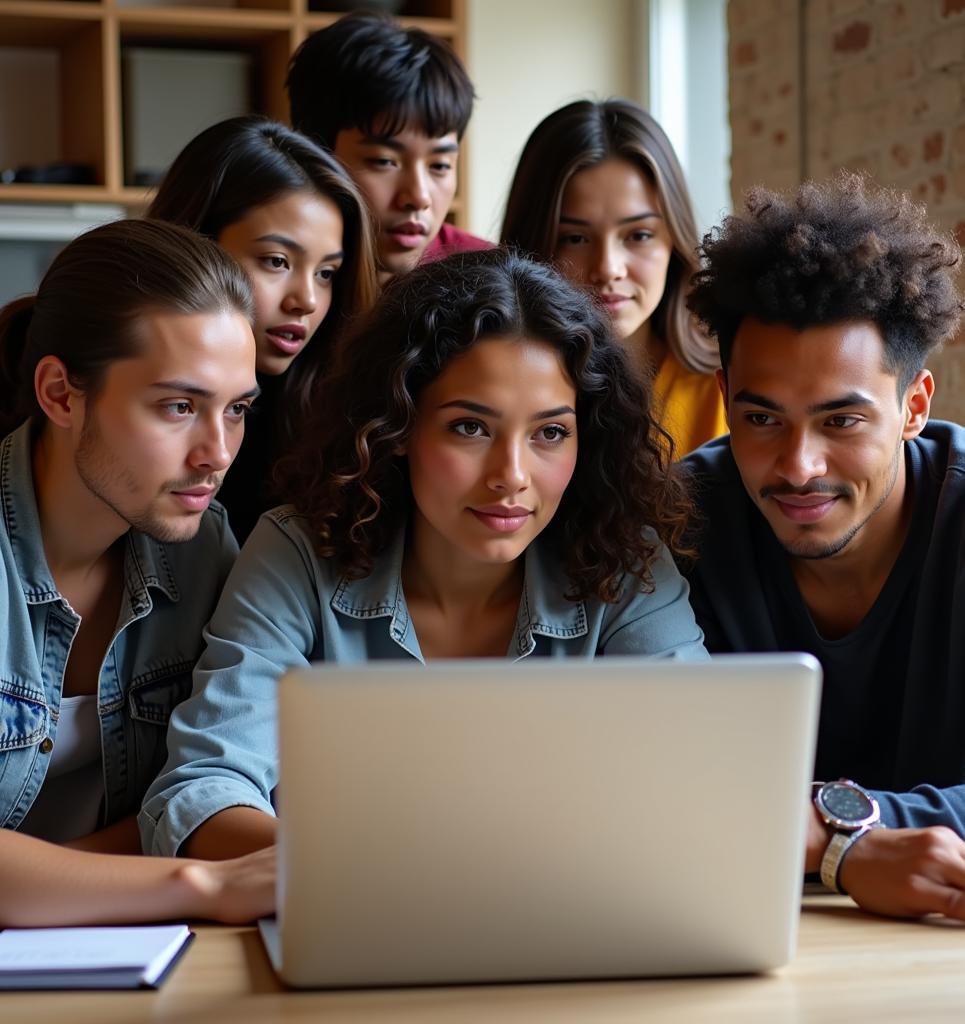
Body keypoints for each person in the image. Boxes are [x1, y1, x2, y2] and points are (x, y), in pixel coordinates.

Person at [141, 249, 708, 860]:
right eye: (470, 427)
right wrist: (371, 875)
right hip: (354, 921)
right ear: (399, 425)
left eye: (550, 432)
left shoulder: (624, 562)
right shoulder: (299, 551)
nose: (511, 476)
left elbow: (706, 779)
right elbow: (202, 792)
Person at [681, 172, 965, 928]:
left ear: (915, 407)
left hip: (956, 943)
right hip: (734, 931)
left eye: (841, 422)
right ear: (726, 397)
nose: (799, 466)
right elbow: (645, 794)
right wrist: (845, 848)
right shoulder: (679, 522)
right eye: (762, 418)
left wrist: (824, 827)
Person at [0, 218, 275, 926]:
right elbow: (185, 850)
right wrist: (198, 885)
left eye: (237, 409)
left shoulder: (203, 549)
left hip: (117, 947)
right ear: (61, 394)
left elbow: (194, 789)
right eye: (178, 406)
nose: (216, 452)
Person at [147, 115, 378, 542]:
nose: (306, 299)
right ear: (196, 241)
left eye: (326, 273)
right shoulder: (130, 391)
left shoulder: (337, 418)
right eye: (277, 261)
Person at [501, 98, 726, 457]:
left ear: (674, 241)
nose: (607, 267)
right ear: (531, 246)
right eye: (575, 239)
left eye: (638, 235)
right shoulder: (491, 387)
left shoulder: (727, 386)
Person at [286, 11, 490, 282]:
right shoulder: (267, 276)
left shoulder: (486, 283)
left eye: (440, 165)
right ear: (313, 156)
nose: (418, 197)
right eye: (384, 161)